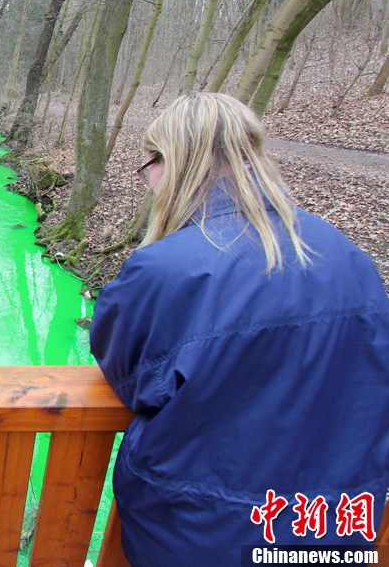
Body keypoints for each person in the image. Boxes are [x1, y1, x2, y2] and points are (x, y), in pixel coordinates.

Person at [90, 92, 389, 566]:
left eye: (150, 166)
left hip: (203, 531)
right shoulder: (349, 257)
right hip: (330, 526)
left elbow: (131, 376)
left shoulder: (165, 269)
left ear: (175, 162)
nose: (149, 183)